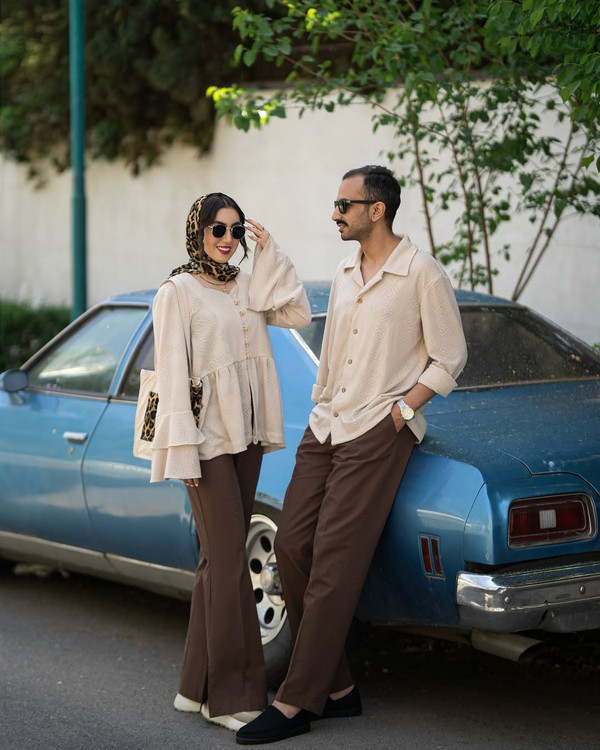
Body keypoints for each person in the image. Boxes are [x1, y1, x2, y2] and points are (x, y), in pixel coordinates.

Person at [236, 166, 468, 745]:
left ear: (377, 210)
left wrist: (403, 409)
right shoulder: (345, 271)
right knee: (291, 546)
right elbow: (334, 348)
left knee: (334, 565)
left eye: (345, 203)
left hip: (378, 429)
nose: (335, 212)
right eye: (336, 203)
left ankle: (297, 700)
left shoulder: (421, 273)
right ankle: (338, 688)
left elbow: (450, 356)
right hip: (328, 423)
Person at [149, 192, 311, 732]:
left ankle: (193, 687)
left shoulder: (247, 283)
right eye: (218, 229)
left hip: (246, 436)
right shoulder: (176, 292)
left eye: (236, 230)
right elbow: (172, 375)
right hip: (204, 441)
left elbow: (298, 312)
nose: (227, 239)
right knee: (229, 562)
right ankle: (231, 697)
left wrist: (269, 254)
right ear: (197, 231)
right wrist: (182, 450)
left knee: (217, 560)